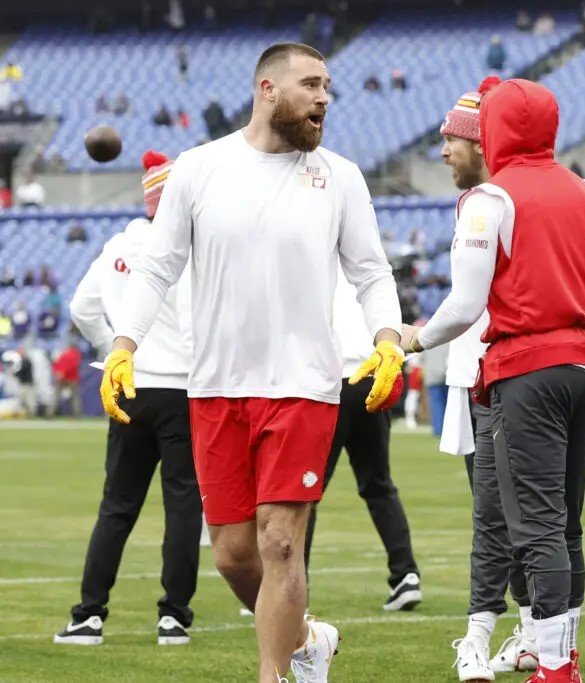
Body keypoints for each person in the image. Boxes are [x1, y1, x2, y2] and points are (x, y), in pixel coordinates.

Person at [98, 43, 404, 683]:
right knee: (236, 556)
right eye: (311, 84)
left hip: (304, 387)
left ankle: (276, 675)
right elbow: (158, 268)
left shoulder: (340, 177)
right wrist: (123, 345)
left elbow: (371, 271)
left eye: (329, 86)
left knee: (281, 542)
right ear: (267, 89)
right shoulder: (199, 168)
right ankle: (308, 637)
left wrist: (388, 339)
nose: (324, 97)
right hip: (213, 389)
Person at [401, 77, 585, 683]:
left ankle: (555, 665)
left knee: (531, 525)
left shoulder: (490, 199)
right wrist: (575, 320)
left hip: (525, 369)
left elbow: (462, 307)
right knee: (566, 520)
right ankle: (564, 651)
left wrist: (411, 340)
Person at [56, 151, 201, 646]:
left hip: (130, 384)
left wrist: (112, 349)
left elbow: (82, 306)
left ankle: (88, 615)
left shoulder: (121, 243)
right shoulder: (190, 248)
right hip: (182, 388)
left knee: (117, 504)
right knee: (183, 503)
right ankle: (174, 616)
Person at [434, 84, 537, 680]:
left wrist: (414, 337)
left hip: (496, 374)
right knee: (499, 510)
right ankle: (529, 627)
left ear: (480, 142)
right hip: (470, 372)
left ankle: (496, 631)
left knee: (503, 515)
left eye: (453, 138)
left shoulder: (494, 202)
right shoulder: (478, 200)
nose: (444, 148)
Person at [302, 275, 422, 612]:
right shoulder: (369, 275)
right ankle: (405, 574)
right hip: (372, 378)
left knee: (304, 492)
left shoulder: (311, 266)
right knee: (379, 485)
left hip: (330, 385)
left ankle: (290, 584)